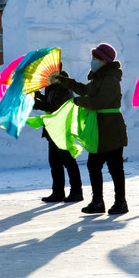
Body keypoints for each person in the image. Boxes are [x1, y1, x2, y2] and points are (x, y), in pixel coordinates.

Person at [55, 43, 129, 215]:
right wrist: (65, 81)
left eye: (96, 58)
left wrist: (75, 101)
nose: (93, 61)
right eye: (93, 58)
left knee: (115, 168)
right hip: (100, 130)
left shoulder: (110, 79)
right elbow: (85, 90)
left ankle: (120, 202)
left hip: (111, 130)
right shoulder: (99, 78)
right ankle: (97, 202)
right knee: (93, 165)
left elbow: (97, 102)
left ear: (104, 61)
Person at [33, 69, 83, 203]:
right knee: (55, 163)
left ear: (57, 77)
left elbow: (54, 106)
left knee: (68, 161)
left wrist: (37, 104)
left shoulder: (64, 89)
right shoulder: (53, 88)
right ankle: (58, 192)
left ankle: (76, 191)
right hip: (53, 130)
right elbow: (49, 101)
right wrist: (38, 95)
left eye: (49, 76)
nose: (46, 78)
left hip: (61, 130)